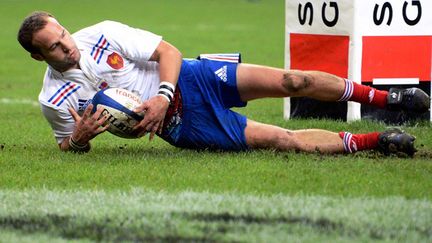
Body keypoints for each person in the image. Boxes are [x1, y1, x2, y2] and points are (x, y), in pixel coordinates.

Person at [17, 11, 429, 156]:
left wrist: (160, 95)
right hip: (181, 126)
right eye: (54, 48)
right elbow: (65, 144)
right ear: (39, 56)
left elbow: (169, 53)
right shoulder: (53, 97)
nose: (67, 48)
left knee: (292, 79)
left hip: (191, 77)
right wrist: (81, 140)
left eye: (64, 35)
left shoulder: (102, 33)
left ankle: (387, 96)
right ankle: (378, 140)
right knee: (280, 140)